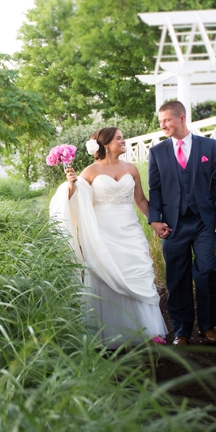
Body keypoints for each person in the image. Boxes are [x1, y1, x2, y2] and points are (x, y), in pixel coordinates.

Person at [49, 127, 167, 348]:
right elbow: (76, 200)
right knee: (107, 275)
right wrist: (72, 183)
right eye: (119, 139)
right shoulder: (90, 171)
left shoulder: (131, 169)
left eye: (123, 138)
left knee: (139, 271)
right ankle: (108, 333)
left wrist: (156, 222)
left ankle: (150, 331)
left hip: (130, 230)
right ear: (105, 144)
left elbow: (141, 200)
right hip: (103, 232)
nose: (124, 141)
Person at [147, 100, 216, 346]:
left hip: (206, 222)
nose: (163, 125)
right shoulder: (157, 152)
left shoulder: (208, 145)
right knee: (176, 276)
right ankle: (181, 331)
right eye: (160, 121)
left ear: (182, 118)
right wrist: (155, 221)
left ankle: (207, 327)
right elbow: (156, 189)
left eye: (167, 120)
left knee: (206, 272)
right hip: (173, 225)